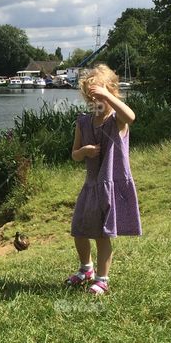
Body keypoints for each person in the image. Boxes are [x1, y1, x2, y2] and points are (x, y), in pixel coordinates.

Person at [67, 64, 141, 295]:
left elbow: (131, 116)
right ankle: (85, 269)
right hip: (90, 185)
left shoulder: (117, 121)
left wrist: (107, 95)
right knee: (79, 229)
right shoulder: (83, 122)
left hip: (109, 183)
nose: (95, 101)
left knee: (102, 234)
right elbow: (74, 154)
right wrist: (85, 151)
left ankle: (102, 279)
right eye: (90, 97)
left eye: (99, 96)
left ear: (112, 92)